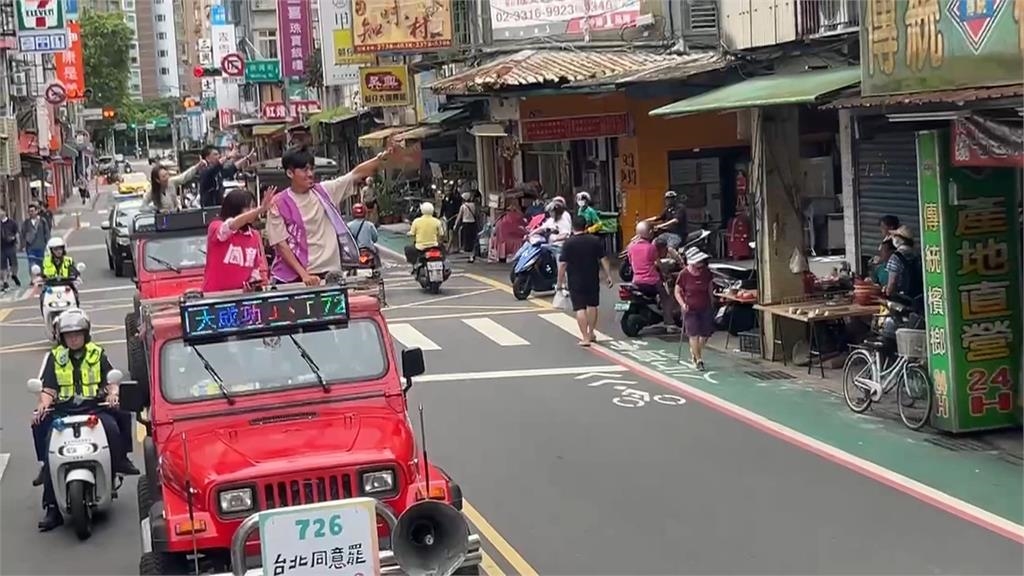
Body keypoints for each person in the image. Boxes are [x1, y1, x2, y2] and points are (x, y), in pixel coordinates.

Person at [33, 308, 137, 531]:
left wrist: (113, 394)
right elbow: (48, 388)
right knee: (39, 424)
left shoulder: (97, 354)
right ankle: (51, 504)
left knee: (119, 419)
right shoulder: (55, 357)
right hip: (63, 412)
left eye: (78, 334)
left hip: (94, 409)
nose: (73, 338)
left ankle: (120, 460)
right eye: (69, 335)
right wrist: (43, 403)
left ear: (86, 334)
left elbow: (112, 381)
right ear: (62, 337)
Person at [267, 146, 387, 286]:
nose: (310, 174)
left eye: (312, 169)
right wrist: (304, 275)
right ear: (290, 173)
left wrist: (381, 158)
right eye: (305, 170)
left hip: (329, 274)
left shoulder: (324, 191)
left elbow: (355, 174)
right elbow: (281, 245)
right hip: (294, 278)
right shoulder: (278, 203)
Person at [202, 187, 276, 293]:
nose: (252, 212)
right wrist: (259, 209)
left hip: (240, 297)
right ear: (235, 208)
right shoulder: (216, 227)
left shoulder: (254, 235)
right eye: (248, 208)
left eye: (254, 207)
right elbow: (231, 225)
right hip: (215, 296)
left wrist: (252, 283)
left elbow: (255, 267)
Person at [557, 215, 614, 347]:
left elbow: (563, 264)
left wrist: (559, 282)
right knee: (592, 305)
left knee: (580, 308)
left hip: (575, 279)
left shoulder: (568, 243)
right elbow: (603, 258)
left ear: (573, 227)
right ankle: (592, 332)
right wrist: (609, 275)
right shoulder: (594, 240)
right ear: (586, 226)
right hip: (592, 277)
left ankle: (585, 337)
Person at [628, 221, 677, 330]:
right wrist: (665, 273)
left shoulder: (631, 247)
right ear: (649, 232)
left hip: (636, 281)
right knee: (666, 299)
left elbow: (631, 262)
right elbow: (659, 264)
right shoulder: (651, 248)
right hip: (652, 282)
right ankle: (669, 323)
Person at [675, 247, 714, 371]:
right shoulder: (684, 274)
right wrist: (682, 304)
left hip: (705, 306)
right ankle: (698, 360)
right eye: (698, 262)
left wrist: (713, 302)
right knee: (693, 335)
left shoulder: (706, 273)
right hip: (690, 309)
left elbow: (710, 288)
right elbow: (677, 292)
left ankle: (695, 351)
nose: (701, 264)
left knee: (706, 334)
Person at [885, 226, 923, 301]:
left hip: (903, 299)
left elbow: (892, 282)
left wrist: (887, 293)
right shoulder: (918, 255)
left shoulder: (895, 257)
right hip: (919, 296)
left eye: (895, 236)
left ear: (900, 240)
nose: (893, 238)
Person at [21, 203, 50, 272]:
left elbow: (47, 233)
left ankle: (41, 278)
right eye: (29, 211)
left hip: (41, 247)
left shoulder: (42, 221)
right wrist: (23, 245)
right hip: (30, 248)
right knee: (32, 265)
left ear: (37, 211)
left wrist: (47, 245)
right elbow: (22, 234)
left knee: (41, 264)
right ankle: (33, 279)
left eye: (32, 211)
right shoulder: (26, 222)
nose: (31, 213)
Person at [454, 191, 479, 263]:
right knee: (472, 238)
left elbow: (459, 216)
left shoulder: (463, 206)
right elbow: (476, 214)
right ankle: (472, 251)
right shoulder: (474, 205)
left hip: (465, 223)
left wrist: (456, 225)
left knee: (466, 238)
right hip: (473, 223)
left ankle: (467, 250)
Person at [1, 208, 20, 291]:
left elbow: (16, 233)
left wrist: (17, 242)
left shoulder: (12, 222)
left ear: (4, 212)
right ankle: (5, 282)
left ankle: (14, 275)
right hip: (1, 247)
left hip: (11, 246)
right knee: (2, 266)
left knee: (14, 263)